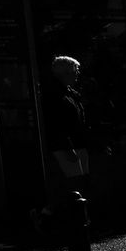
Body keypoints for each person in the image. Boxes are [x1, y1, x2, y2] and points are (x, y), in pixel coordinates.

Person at [38, 54, 91, 229]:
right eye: (74, 72)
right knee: (73, 182)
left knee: (75, 181)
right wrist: (68, 146)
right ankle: (53, 214)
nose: (77, 75)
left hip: (73, 143)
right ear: (65, 73)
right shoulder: (57, 95)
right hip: (67, 144)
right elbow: (57, 124)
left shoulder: (66, 93)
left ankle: (56, 215)